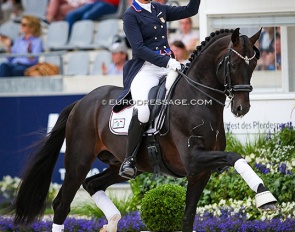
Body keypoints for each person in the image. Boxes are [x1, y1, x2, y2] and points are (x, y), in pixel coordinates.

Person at [118, 0, 201, 179]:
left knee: (188, 97)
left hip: (168, 67)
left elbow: (190, 10)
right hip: (146, 69)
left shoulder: (159, 8)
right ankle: (129, 159)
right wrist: (167, 61)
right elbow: (138, 49)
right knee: (143, 111)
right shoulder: (130, 15)